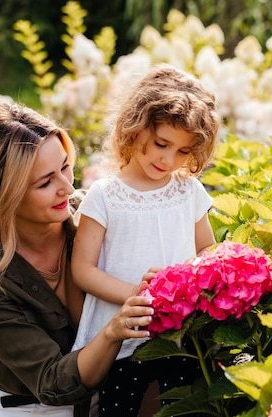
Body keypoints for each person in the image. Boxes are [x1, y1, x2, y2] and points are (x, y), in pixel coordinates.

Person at [0, 102, 155, 417]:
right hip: (28, 409)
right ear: (6, 195)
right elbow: (51, 382)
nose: (67, 187)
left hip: (109, 397)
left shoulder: (93, 215)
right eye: (45, 182)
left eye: (65, 166)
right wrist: (112, 331)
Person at [70, 64, 222, 416]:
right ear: (135, 127)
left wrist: (197, 283)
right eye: (161, 144)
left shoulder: (188, 191)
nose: (168, 160)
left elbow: (207, 251)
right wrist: (136, 296)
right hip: (124, 336)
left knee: (181, 407)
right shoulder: (106, 195)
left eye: (183, 152)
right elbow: (82, 269)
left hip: (182, 335)